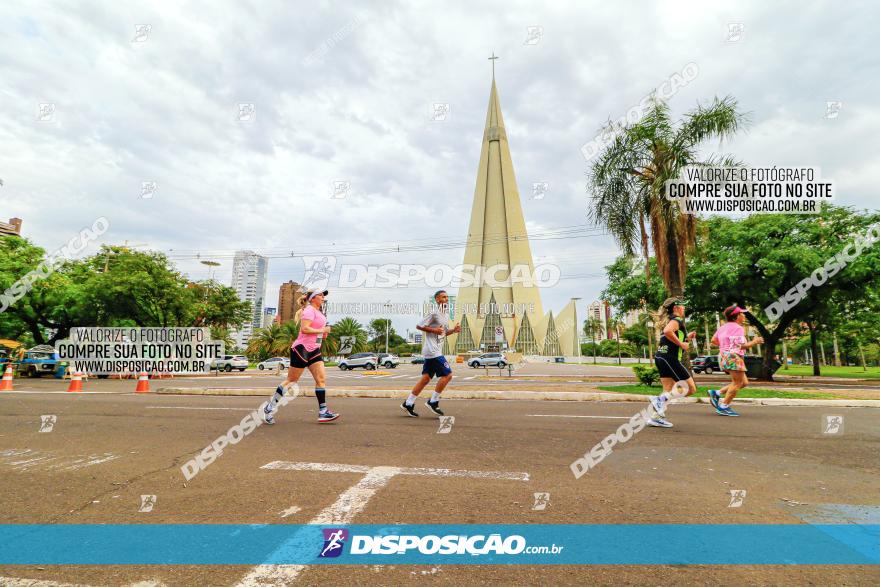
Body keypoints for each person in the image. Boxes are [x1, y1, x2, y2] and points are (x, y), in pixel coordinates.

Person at [263, 290, 339, 424]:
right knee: (291, 381)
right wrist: (322, 330)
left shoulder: (320, 314)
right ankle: (270, 407)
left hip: (314, 350)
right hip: (301, 349)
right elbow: (305, 329)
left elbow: (318, 333)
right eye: (321, 295)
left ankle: (323, 412)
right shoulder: (309, 310)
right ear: (313, 298)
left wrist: (324, 333)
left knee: (321, 379)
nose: (323, 297)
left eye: (323, 296)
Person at [400, 290, 460, 417]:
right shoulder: (434, 313)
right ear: (437, 300)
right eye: (444, 297)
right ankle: (433, 401)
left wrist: (453, 331)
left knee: (426, 379)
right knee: (448, 375)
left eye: (447, 297)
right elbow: (419, 326)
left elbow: (441, 333)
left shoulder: (445, 315)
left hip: (434, 350)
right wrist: (434, 330)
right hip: (433, 351)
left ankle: (408, 403)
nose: (446, 299)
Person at [648, 298, 698, 428]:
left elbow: (669, 336)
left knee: (668, 389)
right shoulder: (676, 320)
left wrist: (687, 337)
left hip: (661, 357)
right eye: (682, 306)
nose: (684, 308)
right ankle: (659, 400)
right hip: (669, 358)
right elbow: (667, 332)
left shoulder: (670, 321)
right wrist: (682, 344)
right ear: (675, 308)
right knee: (690, 388)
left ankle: (656, 418)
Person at [708, 305, 764, 416]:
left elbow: (713, 340)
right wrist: (755, 342)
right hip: (734, 357)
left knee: (744, 382)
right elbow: (740, 346)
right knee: (737, 382)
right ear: (736, 316)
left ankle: (716, 393)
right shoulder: (738, 328)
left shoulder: (723, 327)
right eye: (742, 314)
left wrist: (725, 346)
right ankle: (724, 406)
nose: (744, 315)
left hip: (725, 356)